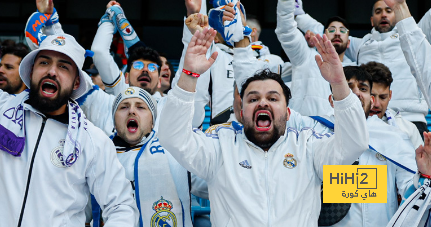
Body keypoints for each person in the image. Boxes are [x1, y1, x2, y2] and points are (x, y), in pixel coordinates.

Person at [158, 23, 368, 226]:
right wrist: (189, 75)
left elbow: (354, 144)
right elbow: (172, 137)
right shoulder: (220, 147)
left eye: (273, 98)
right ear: (241, 112)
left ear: (287, 113)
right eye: (252, 99)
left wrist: (339, 84)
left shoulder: (309, 146)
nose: (263, 102)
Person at [0, 33, 138, 226]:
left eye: (63, 66)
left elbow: (121, 207)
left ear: (76, 82)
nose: (52, 72)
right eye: (44, 63)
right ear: (31, 72)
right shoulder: (2, 110)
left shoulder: (92, 140)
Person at [296, 0, 431, 136]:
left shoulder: (410, 37)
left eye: (388, 10)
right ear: (372, 21)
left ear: (396, 14)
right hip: (373, 119)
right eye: (378, 12)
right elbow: (331, 33)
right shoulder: (361, 44)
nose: (383, 15)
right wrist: (300, 15)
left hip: (412, 119)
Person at [112, 86, 193, 227]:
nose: (131, 111)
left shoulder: (175, 151)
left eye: (141, 107)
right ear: (114, 120)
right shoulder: (100, 155)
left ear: (152, 121)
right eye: (124, 107)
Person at [275, 0, 356, 117]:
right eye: (331, 30)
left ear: (348, 43)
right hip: (300, 129)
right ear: (324, 36)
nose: (337, 33)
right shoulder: (306, 56)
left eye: (342, 30)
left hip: (337, 131)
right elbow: (286, 32)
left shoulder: (356, 71)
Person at [362, 61, 422, 148]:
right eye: (372, 96)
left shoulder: (408, 130)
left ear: (390, 95)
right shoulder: (342, 126)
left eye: (383, 97)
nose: (377, 104)